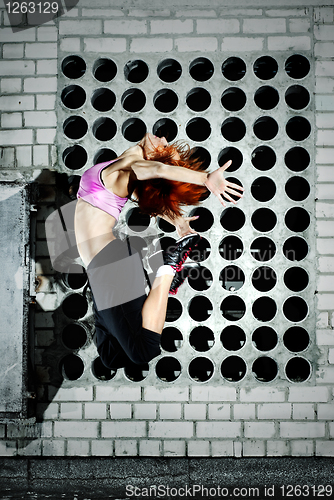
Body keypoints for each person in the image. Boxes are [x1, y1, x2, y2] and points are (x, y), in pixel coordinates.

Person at [74, 133, 244, 370]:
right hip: (102, 267)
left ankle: (168, 267)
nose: (163, 138)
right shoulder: (120, 169)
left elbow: (156, 170)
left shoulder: (132, 167)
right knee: (112, 357)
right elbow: (145, 198)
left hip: (109, 265)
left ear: (154, 157)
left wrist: (205, 178)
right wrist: (178, 222)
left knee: (142, 351)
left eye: (165, 146)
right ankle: (166, 271)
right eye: (165, 141)